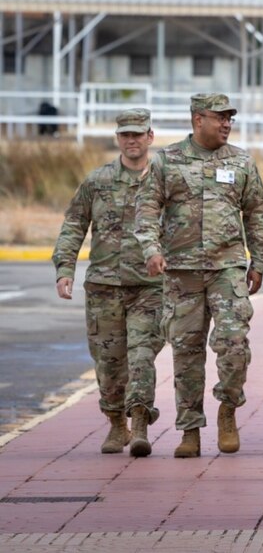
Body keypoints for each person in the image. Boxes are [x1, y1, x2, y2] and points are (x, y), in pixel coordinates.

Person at [134, 93, 263, 458]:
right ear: (198, 119)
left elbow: (256, 212)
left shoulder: (241, 160)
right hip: (181, 273)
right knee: (186, 352)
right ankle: (190, 429)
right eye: (220, 117)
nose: (227, 123)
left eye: (230, 118)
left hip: (227, 268)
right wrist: (151, 250)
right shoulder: (167, 160)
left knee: (233, 345)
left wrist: (259, 260)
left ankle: (228, 409)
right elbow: (147, 209)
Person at [52, 108, 164, 457]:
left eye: (138, 134)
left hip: (149, 287)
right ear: (118, 139)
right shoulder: (97, 181)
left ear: (150, 137)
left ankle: (141, 423)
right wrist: (64, 268)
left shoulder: (165, 180)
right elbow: (74, 225)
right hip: (104, 286)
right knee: (109, 363)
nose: (132, 140)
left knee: (142, 356)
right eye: (125, 135)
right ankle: (117, 424)